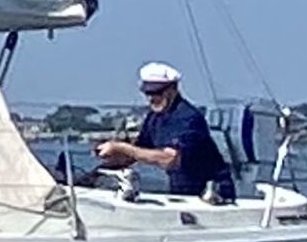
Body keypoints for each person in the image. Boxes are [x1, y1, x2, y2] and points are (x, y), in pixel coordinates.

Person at [94, 63, 236, 201]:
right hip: (183, 193)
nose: (151, 98)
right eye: (147, 93)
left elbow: (170, 159)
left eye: (157, 93)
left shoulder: (188, 117)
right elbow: (139, 152)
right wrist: (105, 165)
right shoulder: (154, 117)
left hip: (211, 195)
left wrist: (122, 147)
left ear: (173, 89)